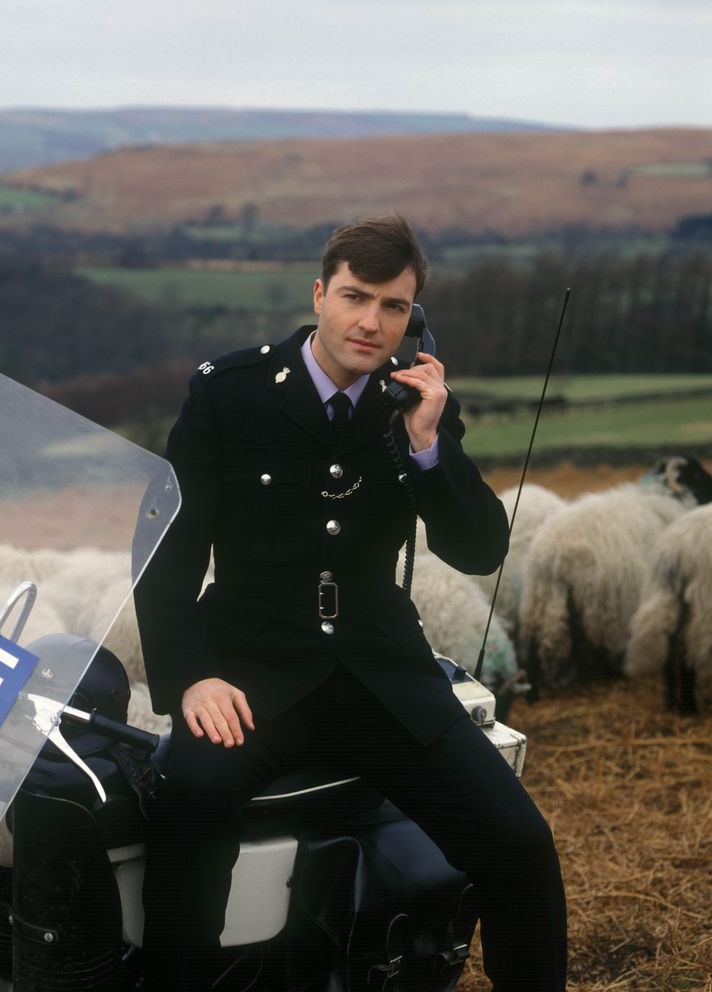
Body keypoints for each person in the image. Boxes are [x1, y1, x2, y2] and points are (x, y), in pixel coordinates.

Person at [134, 214, 567, 991]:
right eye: (355, 297)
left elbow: (478, 550)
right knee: (187, 810)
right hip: (252, 675)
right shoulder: (228, 395)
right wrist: (190, 675)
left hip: (383, 677)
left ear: (413, 317)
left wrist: (430, 443)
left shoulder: (415, 407)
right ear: (320, 294)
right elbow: (166, 551)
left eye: (394, 307)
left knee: (521, 842)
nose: (371, 323)